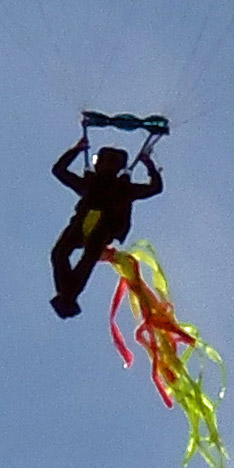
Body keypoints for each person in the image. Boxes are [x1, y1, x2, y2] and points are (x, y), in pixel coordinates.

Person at [49, 116, 166, 317]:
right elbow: (58, 171)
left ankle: (67, 296)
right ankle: (67, 296)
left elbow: (155, 188)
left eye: (111, 163)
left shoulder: (122, 187)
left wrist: (149, 164)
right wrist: (77, 149)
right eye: (104, 161)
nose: (106, 166)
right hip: (83, 225)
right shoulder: (94, 184)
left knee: (80, 257)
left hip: (103, 227)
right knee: (60, 254)